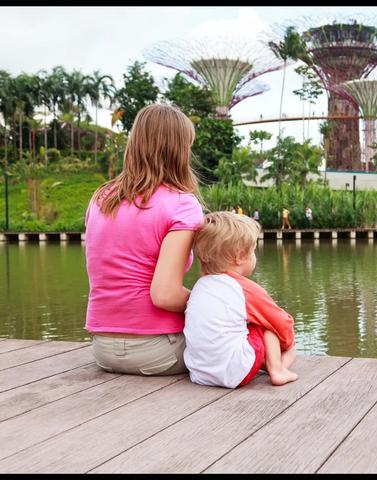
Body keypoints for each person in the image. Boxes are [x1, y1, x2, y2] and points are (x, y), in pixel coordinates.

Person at [84, 103, 204, 376]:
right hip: (160, 350)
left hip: (103, 349)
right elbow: (165, 295)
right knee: (246, 326)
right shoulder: (182, 204)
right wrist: (212, 299)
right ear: (177, 149)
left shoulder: (101, 199)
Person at [184, 211, 298, 388]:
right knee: (267, 326)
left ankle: (265, 363)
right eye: (253, 251)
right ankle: (278, 369)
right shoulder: (242, 288)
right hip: (234, 372)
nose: (255, 256)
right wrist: (289, 345)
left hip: (199, 373)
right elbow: (282, 323)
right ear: (240, 256)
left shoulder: (200, 286)